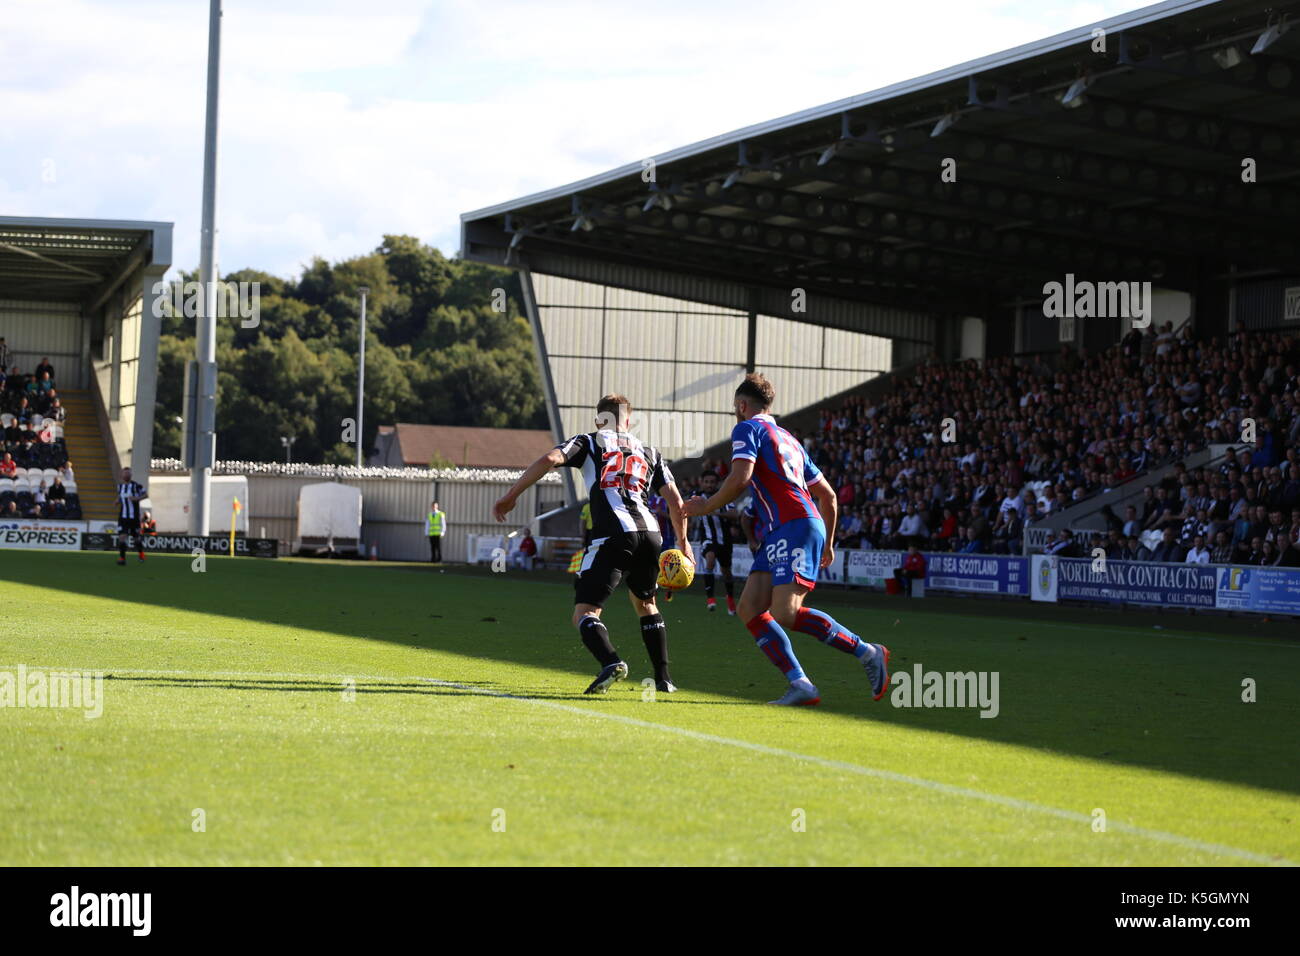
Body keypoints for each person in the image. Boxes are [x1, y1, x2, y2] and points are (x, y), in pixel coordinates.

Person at [683, 373, 889, 707]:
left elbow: (739, 479)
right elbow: (830, 496)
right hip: (787, 529)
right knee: (750, 607)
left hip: (794, 525)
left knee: (786, 612)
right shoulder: (789, 439)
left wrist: (705, 505)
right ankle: (801, 684)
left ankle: (867, 652)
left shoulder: (747, 428)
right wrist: (830, 541)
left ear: (742, 405)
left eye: (736, 407)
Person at [493, 393, 690, 695]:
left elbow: (550, 459)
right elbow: (676, 502)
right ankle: (664, 679)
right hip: (651, 533)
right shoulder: (651, 452)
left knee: (585, 613)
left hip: (613, 533)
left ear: (600, 420)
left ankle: (611, 662)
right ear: (629, 419)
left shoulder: (589, 442)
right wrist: (684, 543)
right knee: (646, 605)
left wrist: (510, 496)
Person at [692, 470, 738, 615]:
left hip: (724, 540)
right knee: (710, 560)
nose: (709, 485)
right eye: (706, 482)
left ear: (717, 483)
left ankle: (730, 598)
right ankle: (710, 599)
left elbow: (734, 514)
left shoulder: (724, 496)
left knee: (726, 572)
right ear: (702, 482)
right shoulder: (697, 497)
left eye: (712, 482)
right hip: (708, 538)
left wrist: (716, 512)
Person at [115, 467, 148, 565]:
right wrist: (117, 501)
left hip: (134, 517)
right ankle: (122, 559)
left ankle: (141, 554)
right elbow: (120, 497)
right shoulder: (120, 486)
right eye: (125, 474)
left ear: (131, 475)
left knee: (136, 538)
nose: (126, 475)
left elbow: (146, 495)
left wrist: (137, 499)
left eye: (128, 474)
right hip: (123, 517)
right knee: (122, 537)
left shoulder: (137, 486)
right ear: (122, 475)